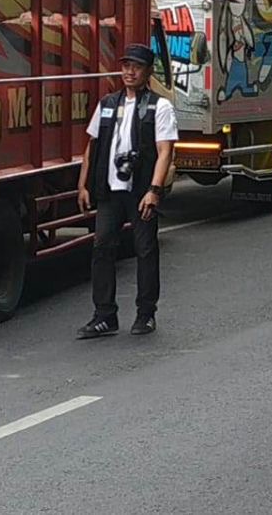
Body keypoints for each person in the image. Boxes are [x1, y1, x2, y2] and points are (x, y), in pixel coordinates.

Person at [76, 44, 178, 339]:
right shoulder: (107, 103)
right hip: (110, 190)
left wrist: (154, 190)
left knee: (145, 250)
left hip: (141, 191)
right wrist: (83, 185)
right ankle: (104, 316)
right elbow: (91, 147)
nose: (129, 71)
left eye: (136, 66)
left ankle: (146, 313)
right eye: (125, 66)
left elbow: (165, 151)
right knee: (102, 249)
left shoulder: (159, 106)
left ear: (148, 72)